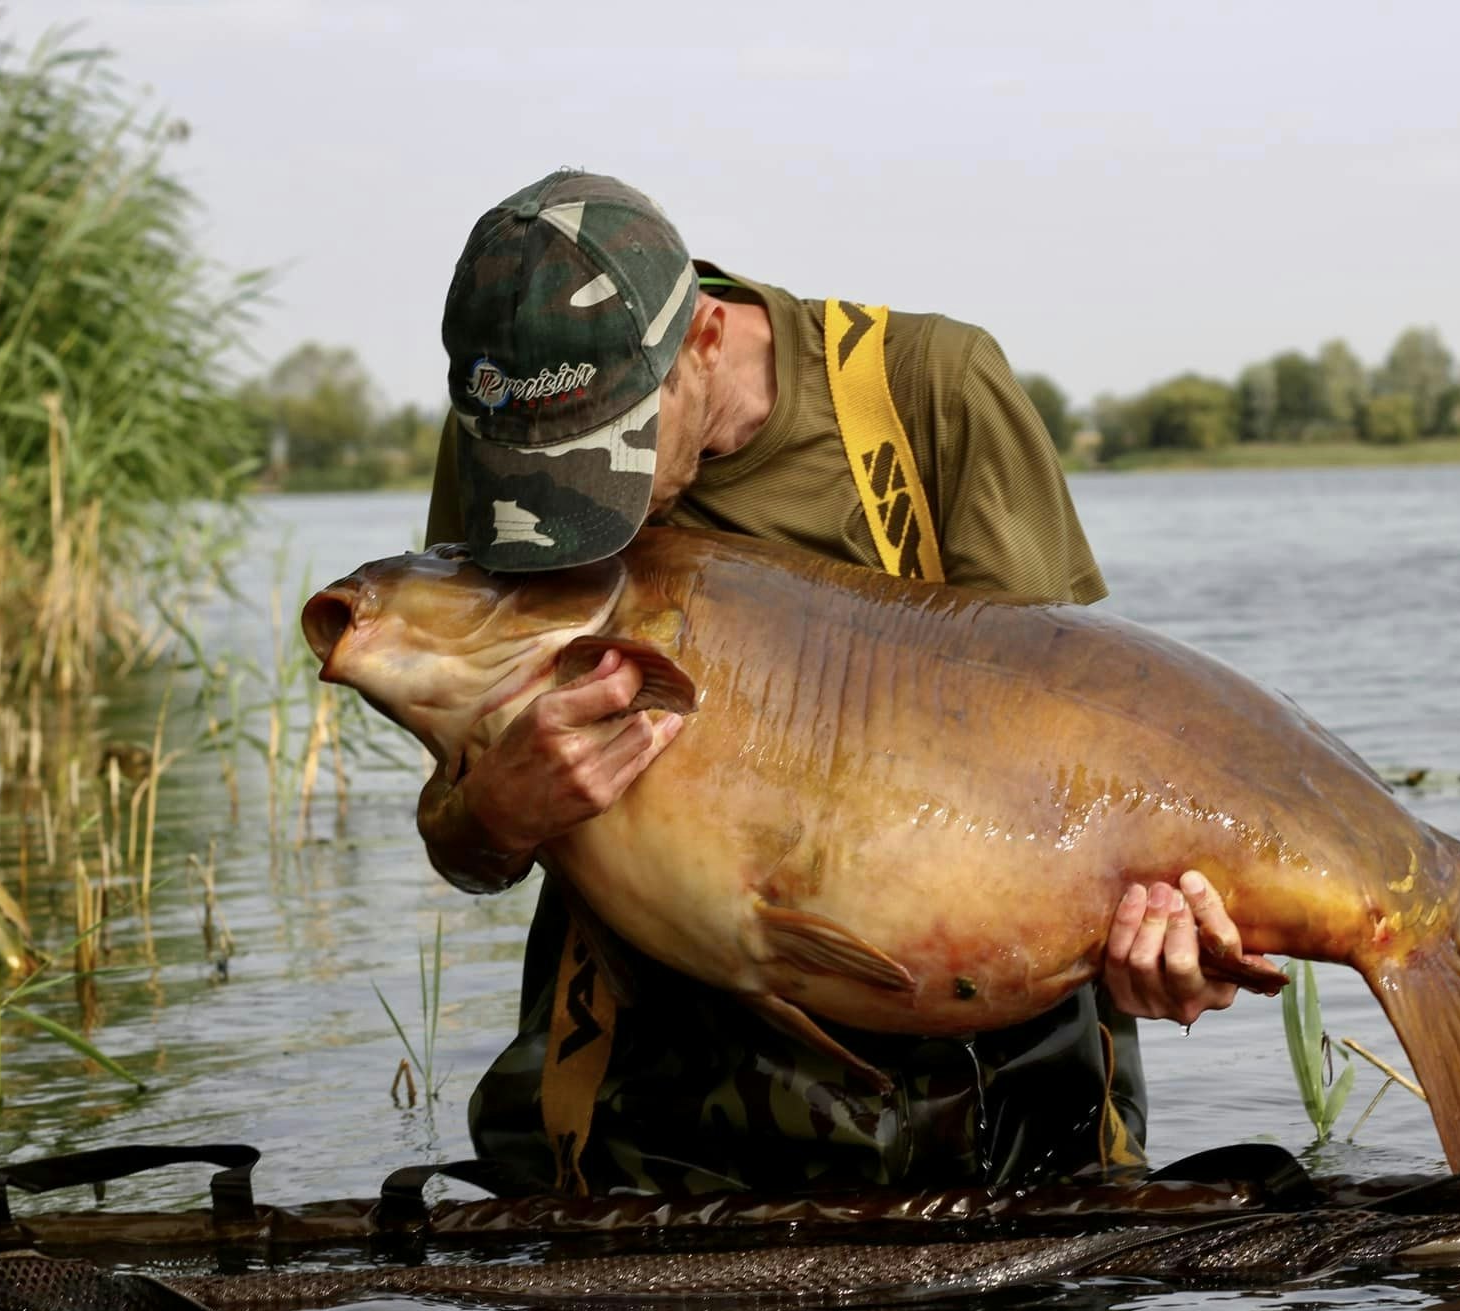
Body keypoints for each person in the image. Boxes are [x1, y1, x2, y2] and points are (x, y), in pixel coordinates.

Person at [418, 171, 1272, 1196]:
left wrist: (1160, 942)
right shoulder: (515, 455)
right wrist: (493, 816)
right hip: (642, 1121)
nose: (586, 512)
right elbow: (468, 842)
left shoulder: (930, 391)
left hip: (996, 1111)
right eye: (547, 476)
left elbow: (1073, 774)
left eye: (614, 457)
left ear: (702, 336)